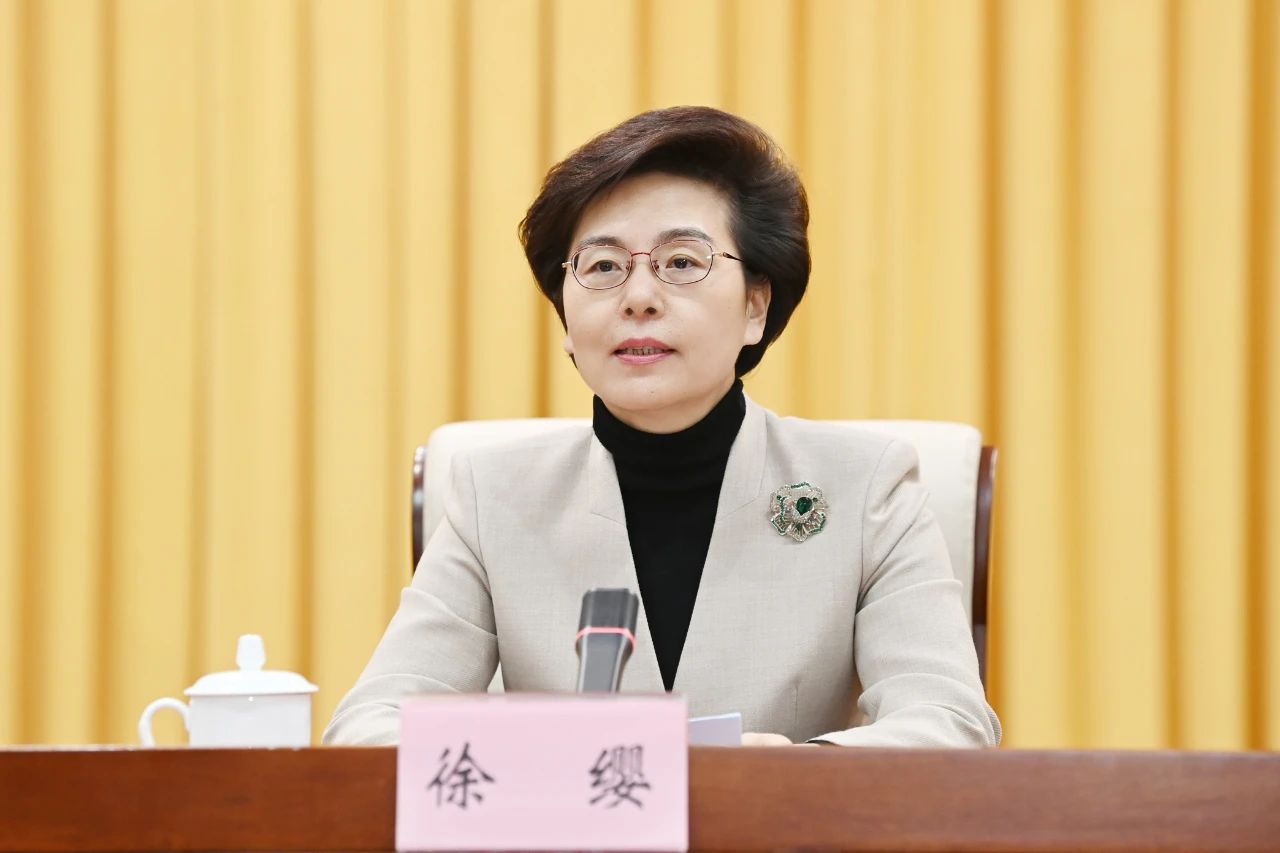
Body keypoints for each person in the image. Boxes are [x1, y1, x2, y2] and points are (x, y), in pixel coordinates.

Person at [324, 106, 1001, 748]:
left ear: (755, 306)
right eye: (603, 266)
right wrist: (532, 768)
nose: (639, 298)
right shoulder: (493, 494)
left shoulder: (865, 486)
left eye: (681, 262)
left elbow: (949, 722)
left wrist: (791, 774)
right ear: (566, 317)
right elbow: (368, 728)